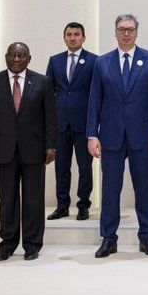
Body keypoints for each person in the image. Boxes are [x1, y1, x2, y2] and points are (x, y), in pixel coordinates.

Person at [87, 14, 148, 258]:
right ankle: (108, 238)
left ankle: (146, 237)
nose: (126, 33)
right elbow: (94, 100)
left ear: (137, 32)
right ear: (115, 32)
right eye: (122, 29)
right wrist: (91, 134)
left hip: (142, 136)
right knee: (110, 190)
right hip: (110, 135)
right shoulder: (102, 62)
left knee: (143, 189)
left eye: (130, 29)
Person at [0, 42, 56, 261]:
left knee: (33, 200)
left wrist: (51, 145)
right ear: (6, 57)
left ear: (29, 59)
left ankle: (32, 244)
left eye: (22, 56)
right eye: (12, 55)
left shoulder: (43, 82)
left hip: (35, 150)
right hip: (2, 150)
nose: (17, 59)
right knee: (7, 200)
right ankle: (7, 244)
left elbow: (51, 117)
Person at [45, 22, 98, 221]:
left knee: (85, 167)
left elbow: (97, 94)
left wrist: (95, 125)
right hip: (60, 123)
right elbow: (48, 93)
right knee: (61, 167)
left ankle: (83, 205)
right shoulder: (55, 61)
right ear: (64, 37)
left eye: (77, 34)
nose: (73, 38)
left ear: (83, 38)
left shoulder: (94, 61)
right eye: (69, 34)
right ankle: (62, 206)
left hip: (84, 123)